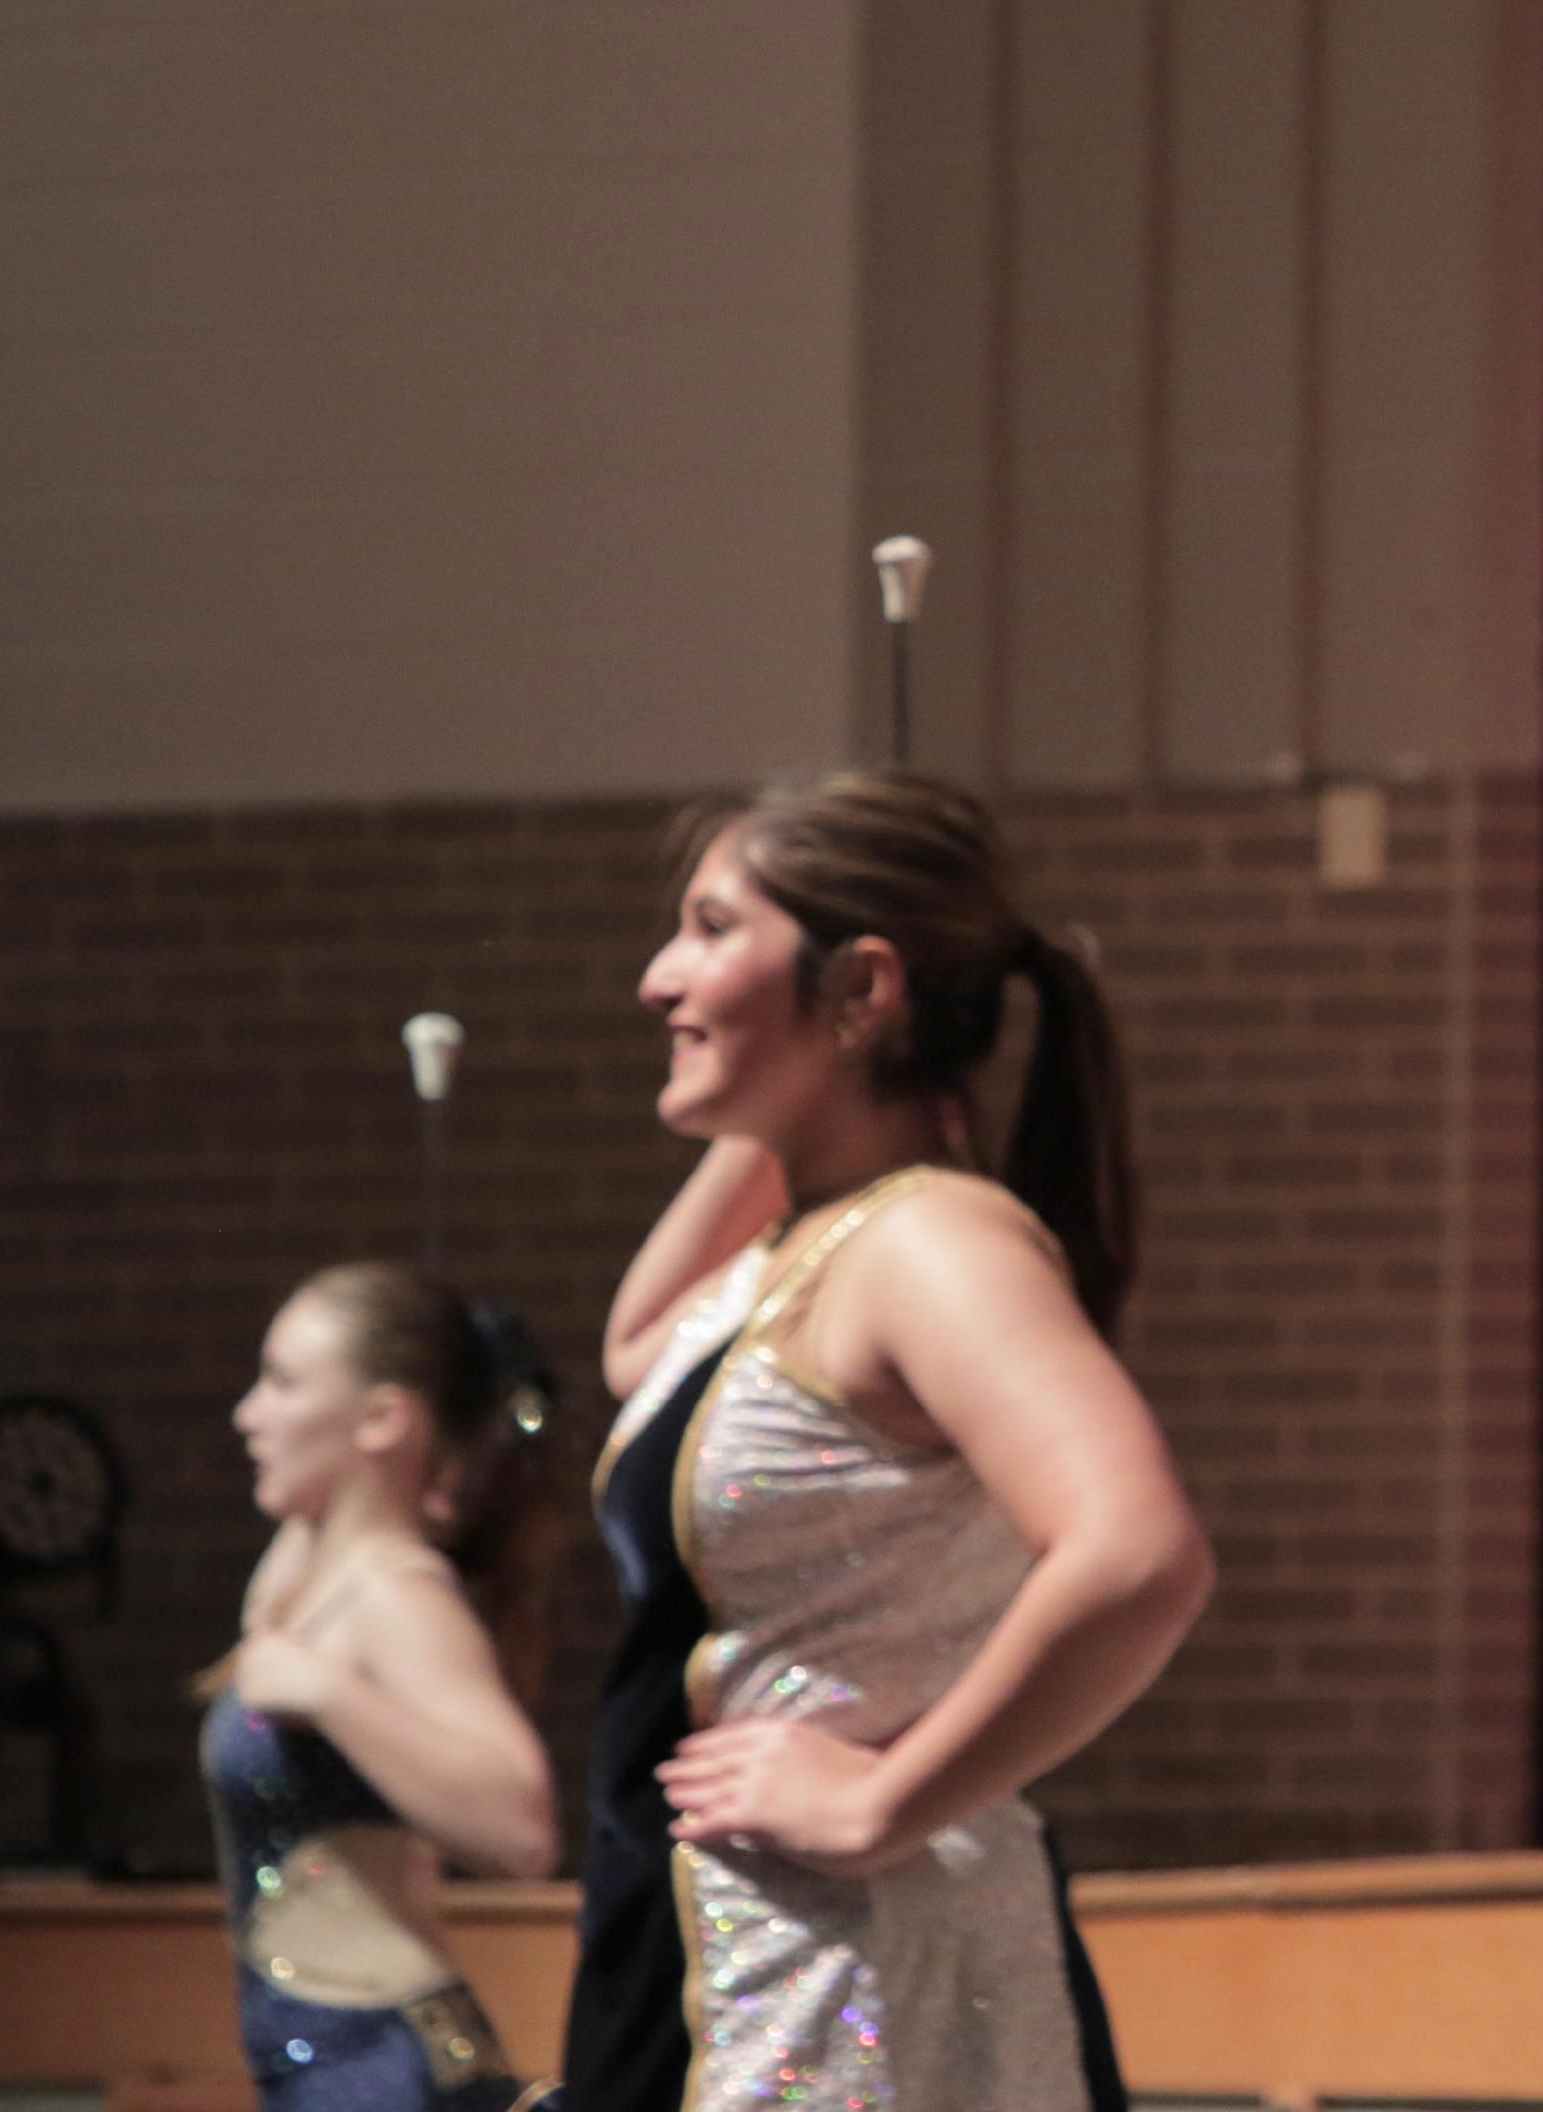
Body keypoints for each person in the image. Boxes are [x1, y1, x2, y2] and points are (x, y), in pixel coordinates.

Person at [568, 770, 1214, 2112]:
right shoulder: (810, 1244)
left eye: (710, 928)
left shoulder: (931, 1244)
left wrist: (884, 1801)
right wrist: (800, 1091)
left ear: (862, 985)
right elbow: (640, 1357)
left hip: (850, 1985)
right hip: (735, 1959)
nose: (657, 978)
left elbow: (1139, 1556)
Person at [207, 1263, 564, 2110]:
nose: (248, 1414)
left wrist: (331, 1693)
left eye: (282, 1382)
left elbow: (523, 1831)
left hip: (380, 2071)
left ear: (382, 1418)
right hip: (327, 2064)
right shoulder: (320, 1579)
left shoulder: (396, 1595)